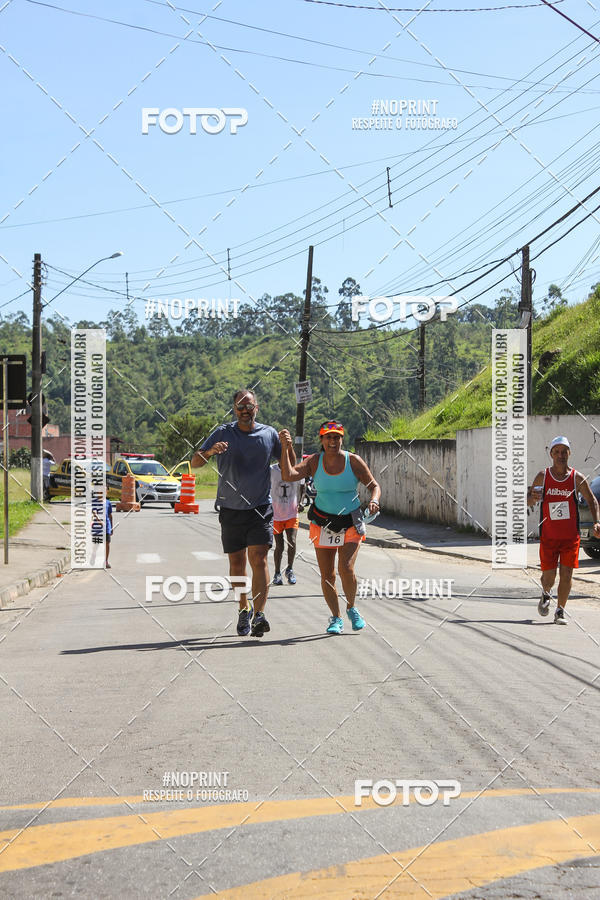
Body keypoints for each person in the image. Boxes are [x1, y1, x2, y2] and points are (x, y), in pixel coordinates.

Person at [192, 390, 290, 638]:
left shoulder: (268, 434)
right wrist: (211, 451)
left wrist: (288, 447)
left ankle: (259, 614)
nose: (245, 410)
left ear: (257, 407)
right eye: (240, 406)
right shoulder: (223, 432)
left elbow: (289, 469)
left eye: (249, 406)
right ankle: (243, 609)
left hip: (260, 508)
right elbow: (195, 462)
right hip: (230, 509)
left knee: (259, 559)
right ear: (234, 409)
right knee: (237, 564)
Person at [279, 420, 380, 635]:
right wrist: (286, 448)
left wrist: (374, 500)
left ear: (342, 439)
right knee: (327, 576)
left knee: (346, 568)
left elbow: (374, 486)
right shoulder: (314, 462)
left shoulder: (353, 461)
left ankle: (352, 607)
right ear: (321, 439)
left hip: (350, 522)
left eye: (337, 437)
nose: (333, 441)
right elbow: (288, 475)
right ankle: (335, 617)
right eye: (328, 437)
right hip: (323, 523)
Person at [528, 435, 600, 624]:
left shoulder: (577, 478)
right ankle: (545, 593)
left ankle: (560, 610)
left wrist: (596, 522)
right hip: (549, 536)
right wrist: (532, 497)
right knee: (549, 576)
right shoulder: (543, 476)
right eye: (557, 452)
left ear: (569, 453)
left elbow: (592, 500)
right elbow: (529, 499)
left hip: (570, 537)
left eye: (564, 452)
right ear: (551, 454)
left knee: (567, 574)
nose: (561, 455)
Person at [270, 462, 303, 585]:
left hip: (292, 513)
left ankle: (289, 569)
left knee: (292, 541)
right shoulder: (271, 470)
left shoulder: (297, 469)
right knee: (279, 546)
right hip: (276, 514)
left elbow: (302, 486)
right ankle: (277, 572)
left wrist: (300, 502)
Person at [105, 498, 113, 569]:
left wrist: (111, 528)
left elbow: (110, 515)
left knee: (107, 543)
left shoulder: (108, 502)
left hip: (107, 526)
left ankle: (106, 561)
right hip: (97, 527)